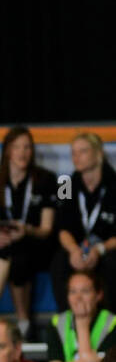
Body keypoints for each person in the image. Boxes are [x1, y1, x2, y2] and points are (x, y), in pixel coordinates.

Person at [0, 127, 57, 334]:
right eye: (17, 147)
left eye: (27, 147)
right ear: (7, 151)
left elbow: (47, 229)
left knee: (16, 251)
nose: (23, 152)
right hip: (9, 245)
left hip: (38, 243)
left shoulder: (46, 179)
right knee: (6, 250)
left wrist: (27, 230)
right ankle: (22, 322)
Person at [50, 133, 116, 315]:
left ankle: (109, 324)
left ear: (99, 153)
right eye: (73, 153)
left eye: (83, 151)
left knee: (111, 264)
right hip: (78, 248)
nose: (76, 157)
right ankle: (67, 321)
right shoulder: (65, 184)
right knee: (60, 261)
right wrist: (73, 250)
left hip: (106, 248)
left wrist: (100, 249)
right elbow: (62, 228)